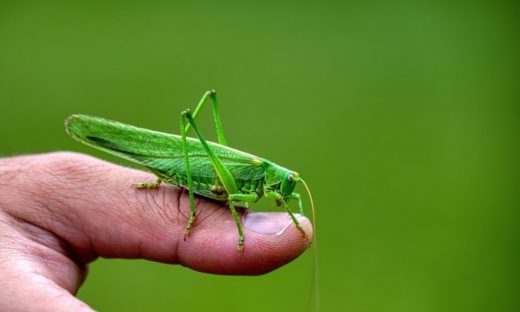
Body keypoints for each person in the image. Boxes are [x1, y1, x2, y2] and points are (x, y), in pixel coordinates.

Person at [0, 152, 312, 311]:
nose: (285, 191)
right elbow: (232, 198)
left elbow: (291, 198)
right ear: (275, 176)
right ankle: (190, 207)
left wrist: (295, 219)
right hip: (210, 178)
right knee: (231, 195)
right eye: (285, 182)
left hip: (215, 176)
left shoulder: (273, 182)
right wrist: (241, 234)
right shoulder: (258, 169)